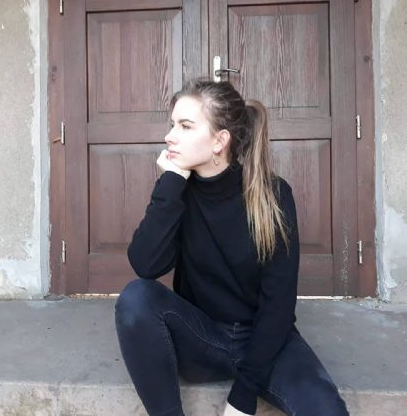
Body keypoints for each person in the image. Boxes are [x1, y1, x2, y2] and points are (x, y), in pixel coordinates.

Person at [115, 79, 349, 416]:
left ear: (219, 141)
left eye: (185, 126)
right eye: (172, 125)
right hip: (202, 339)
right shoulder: (176, 191)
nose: (170, 136)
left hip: (266, 342)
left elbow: (279, 303)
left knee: (328, 410)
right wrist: (170, 182)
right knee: (136, 297)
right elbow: (146, 265)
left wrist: (243, 394)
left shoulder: (273, 194)